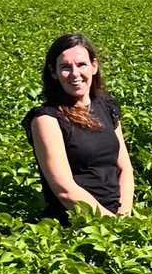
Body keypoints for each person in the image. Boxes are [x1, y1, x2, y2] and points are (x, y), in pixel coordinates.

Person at [23, 33, 134, 223]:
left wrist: (123, 216)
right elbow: (65, 190)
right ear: (53, 73)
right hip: (75, 221)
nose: (75, 74)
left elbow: (125, 168)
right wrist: (110, 224)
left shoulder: (106, 107)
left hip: (118, 216)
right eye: (65, 67)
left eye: (81, 65)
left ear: (94, 66)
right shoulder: (47, 119)